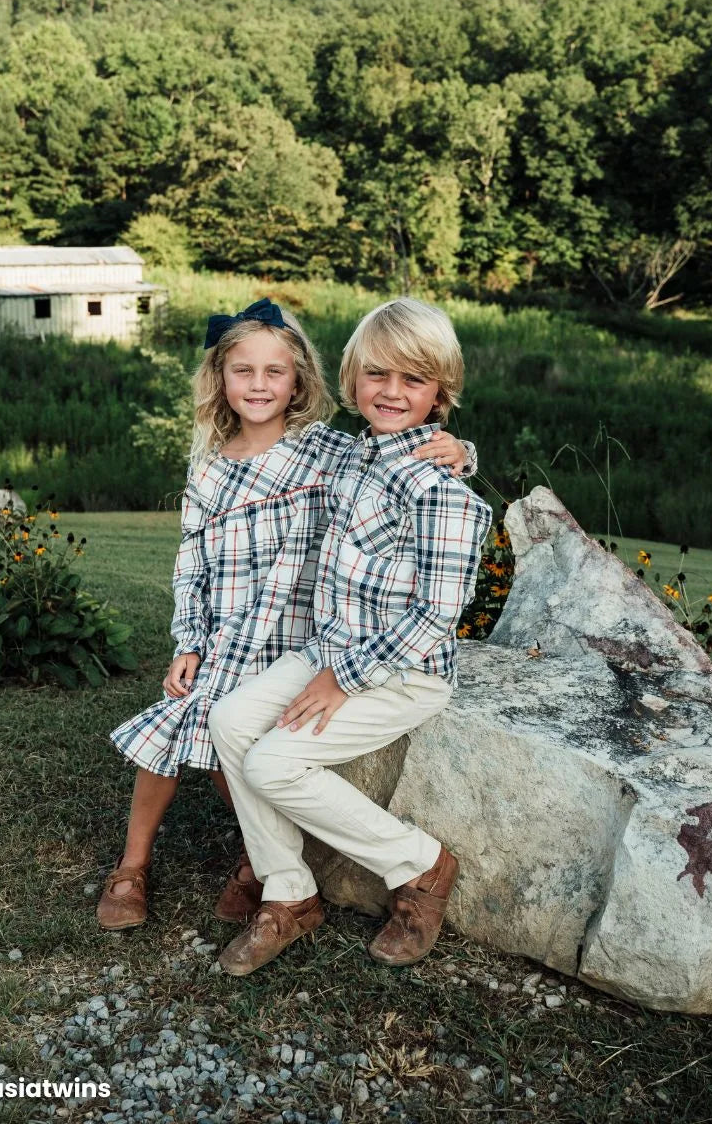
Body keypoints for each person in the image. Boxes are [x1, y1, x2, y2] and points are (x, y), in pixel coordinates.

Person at [98, 299, 473, 930]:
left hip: (295, 633)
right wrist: (189, 640)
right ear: (219, 378)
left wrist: (461, 450)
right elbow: (191, 562)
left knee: (242, 745)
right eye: (243, 371)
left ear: (299, 380)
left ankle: (266, 864)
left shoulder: (322, 450)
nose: (259, 385)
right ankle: (156, 868)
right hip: (235, 630)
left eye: (275, 372)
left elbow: (415, 464)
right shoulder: (214, 465)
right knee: (194, 718)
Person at [208, 297, 492, 974]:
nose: (392, 393)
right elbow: (270, 427)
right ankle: (291, 893)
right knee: (229, 721)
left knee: (274, 762)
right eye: (377, 376)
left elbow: (434, 618)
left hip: (401, 672)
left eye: (413, 380)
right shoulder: (351, 453)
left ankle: (420, 866)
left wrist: (343, 680)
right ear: (353, 380)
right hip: (327, 649)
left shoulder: (444, 494)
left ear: (440, 392)